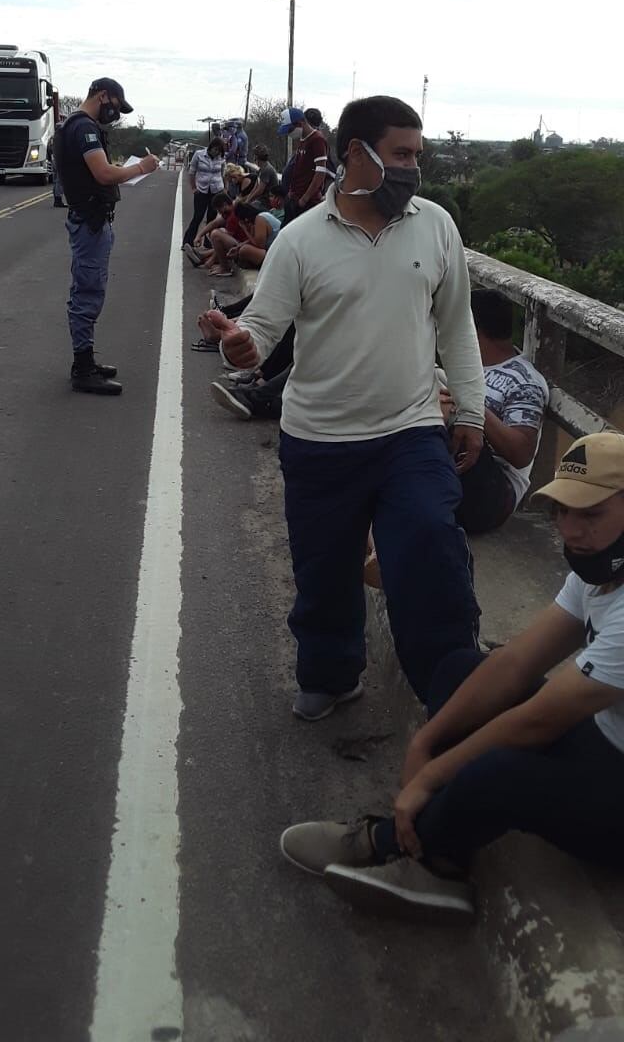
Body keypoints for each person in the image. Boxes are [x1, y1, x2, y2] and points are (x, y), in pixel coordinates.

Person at [208, 95, 485, 718]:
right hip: (320, 439)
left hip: (411, 431)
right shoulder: (301, 240)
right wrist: (237, 344)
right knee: (325, 571)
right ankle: (331, 673)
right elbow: (260, 335)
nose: (415, 167)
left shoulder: (435, 225)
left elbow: (457, 325)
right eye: (402, 154)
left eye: (419, 153)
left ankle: (454, 692)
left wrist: (469, 410)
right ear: (355, 153)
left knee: (429, 545)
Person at [280, 431, 624, 922]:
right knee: (462, 670)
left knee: (499, 768)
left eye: (591, 514)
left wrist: (434, 771)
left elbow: (540, 721)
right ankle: (435, 840)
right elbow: (515, 663)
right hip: (605, 745)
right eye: (562, 511)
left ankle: (401, 851)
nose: (571, 530)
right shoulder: (602, 571)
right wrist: (424, 745)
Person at [54, 77, 159, 395]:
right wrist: (141, 168)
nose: (116, 113)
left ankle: (85, 360)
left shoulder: (73, 125)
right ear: (103, 96)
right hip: (90, 221)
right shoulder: (84, 128)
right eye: (115, 106)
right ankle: (82, 368)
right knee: (87, 293)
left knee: (88, 290)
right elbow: (102, 173)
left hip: (90, 219)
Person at [453, 289, 549, 533]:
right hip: (460, 478)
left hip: (494, 495)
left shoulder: (525, 381)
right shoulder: (468, 366)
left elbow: (520, 452)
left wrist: (469, 406)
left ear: (472, 329)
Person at [278, 106, 333, 225]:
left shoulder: (317, 139)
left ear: (301, 123)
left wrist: (305, 198)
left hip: (306, 201)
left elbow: (320, 172)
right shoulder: (303, 139)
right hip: (294, 196)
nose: (289, 133)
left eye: (290, 129)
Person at [182, 137, 226, 253]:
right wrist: (193, 188)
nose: (216, 153)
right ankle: (188, 241)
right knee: (198, 216)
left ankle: (209, 242)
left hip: (216, 190)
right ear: (211, 147)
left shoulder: (221, 158)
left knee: (212, 217)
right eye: (215, 150)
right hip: (201, 189)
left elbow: (223, 174)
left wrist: (224, 189)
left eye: (218, 151)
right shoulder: (199, 155)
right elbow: (192, 172)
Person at [228, 201, 280, 268]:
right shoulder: (257, 220)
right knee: (241, 250)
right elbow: (254, 240)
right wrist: (238, 247)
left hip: (276, 253)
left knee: (244, 250)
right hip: (272, 251)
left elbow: (259, 245)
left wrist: (245, 229)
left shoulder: (260, 218)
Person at [47, 122, 66, 208]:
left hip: (53, 159)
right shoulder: (61, 137)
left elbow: (49, 150)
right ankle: (58, 200)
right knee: (59, 181)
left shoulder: (52, 138)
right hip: (59, 160)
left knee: (56, 181)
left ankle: (56, 199)